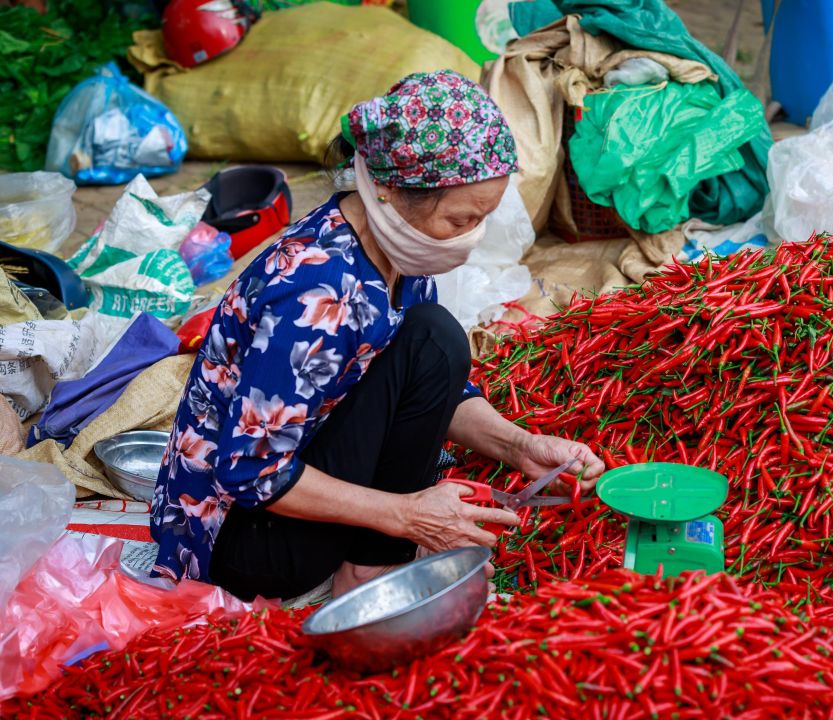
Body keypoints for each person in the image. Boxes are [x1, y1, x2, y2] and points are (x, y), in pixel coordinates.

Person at [149, 70, 605, 601]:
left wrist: (519, 446)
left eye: (481, 219)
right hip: (242, 540)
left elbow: (430, 386)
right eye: (460, 220)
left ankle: (365, 559)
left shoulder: (398, 251)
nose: (472, 237)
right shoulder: (316, 294)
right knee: (436, 338)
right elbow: (249, 472)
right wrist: (409, 516)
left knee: (433, 340)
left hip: (292, 486)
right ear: (388, 190)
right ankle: (366, 569)